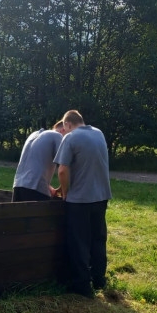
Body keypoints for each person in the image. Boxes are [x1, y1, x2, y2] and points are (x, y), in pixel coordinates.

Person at [53, 110, 112, 297]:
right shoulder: (98, 133)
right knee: (98, 239)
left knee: (79, 242)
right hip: (101, 196)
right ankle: (99, 280)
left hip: (80, 200)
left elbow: (62, 171)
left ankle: (82, 285)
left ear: (67, 124)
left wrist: (65, 192)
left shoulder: (70, 138)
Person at [12, 121, 66, 202]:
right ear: (63, 130)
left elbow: (33, 169)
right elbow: (65, 166)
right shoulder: (58, 136)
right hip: (35, 191)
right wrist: (63, 189)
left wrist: (47, 186)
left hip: (18, 187)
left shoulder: (34, 134)